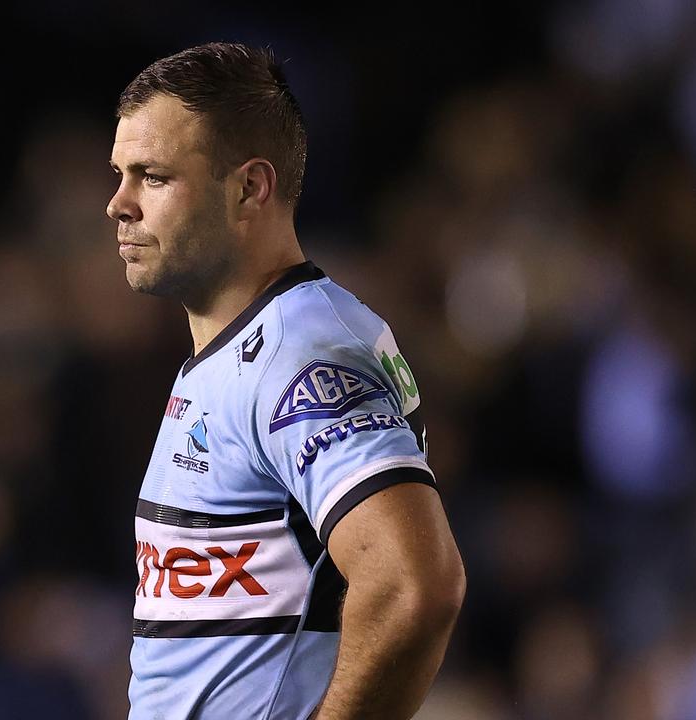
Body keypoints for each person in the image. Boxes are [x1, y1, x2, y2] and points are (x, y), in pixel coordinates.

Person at [106, 42, 465, 720]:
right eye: (120, 174)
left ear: (250, 187)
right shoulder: (244, 349)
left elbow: (415, 586)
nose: (117, 204)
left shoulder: (298, 355)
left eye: (151, 176)